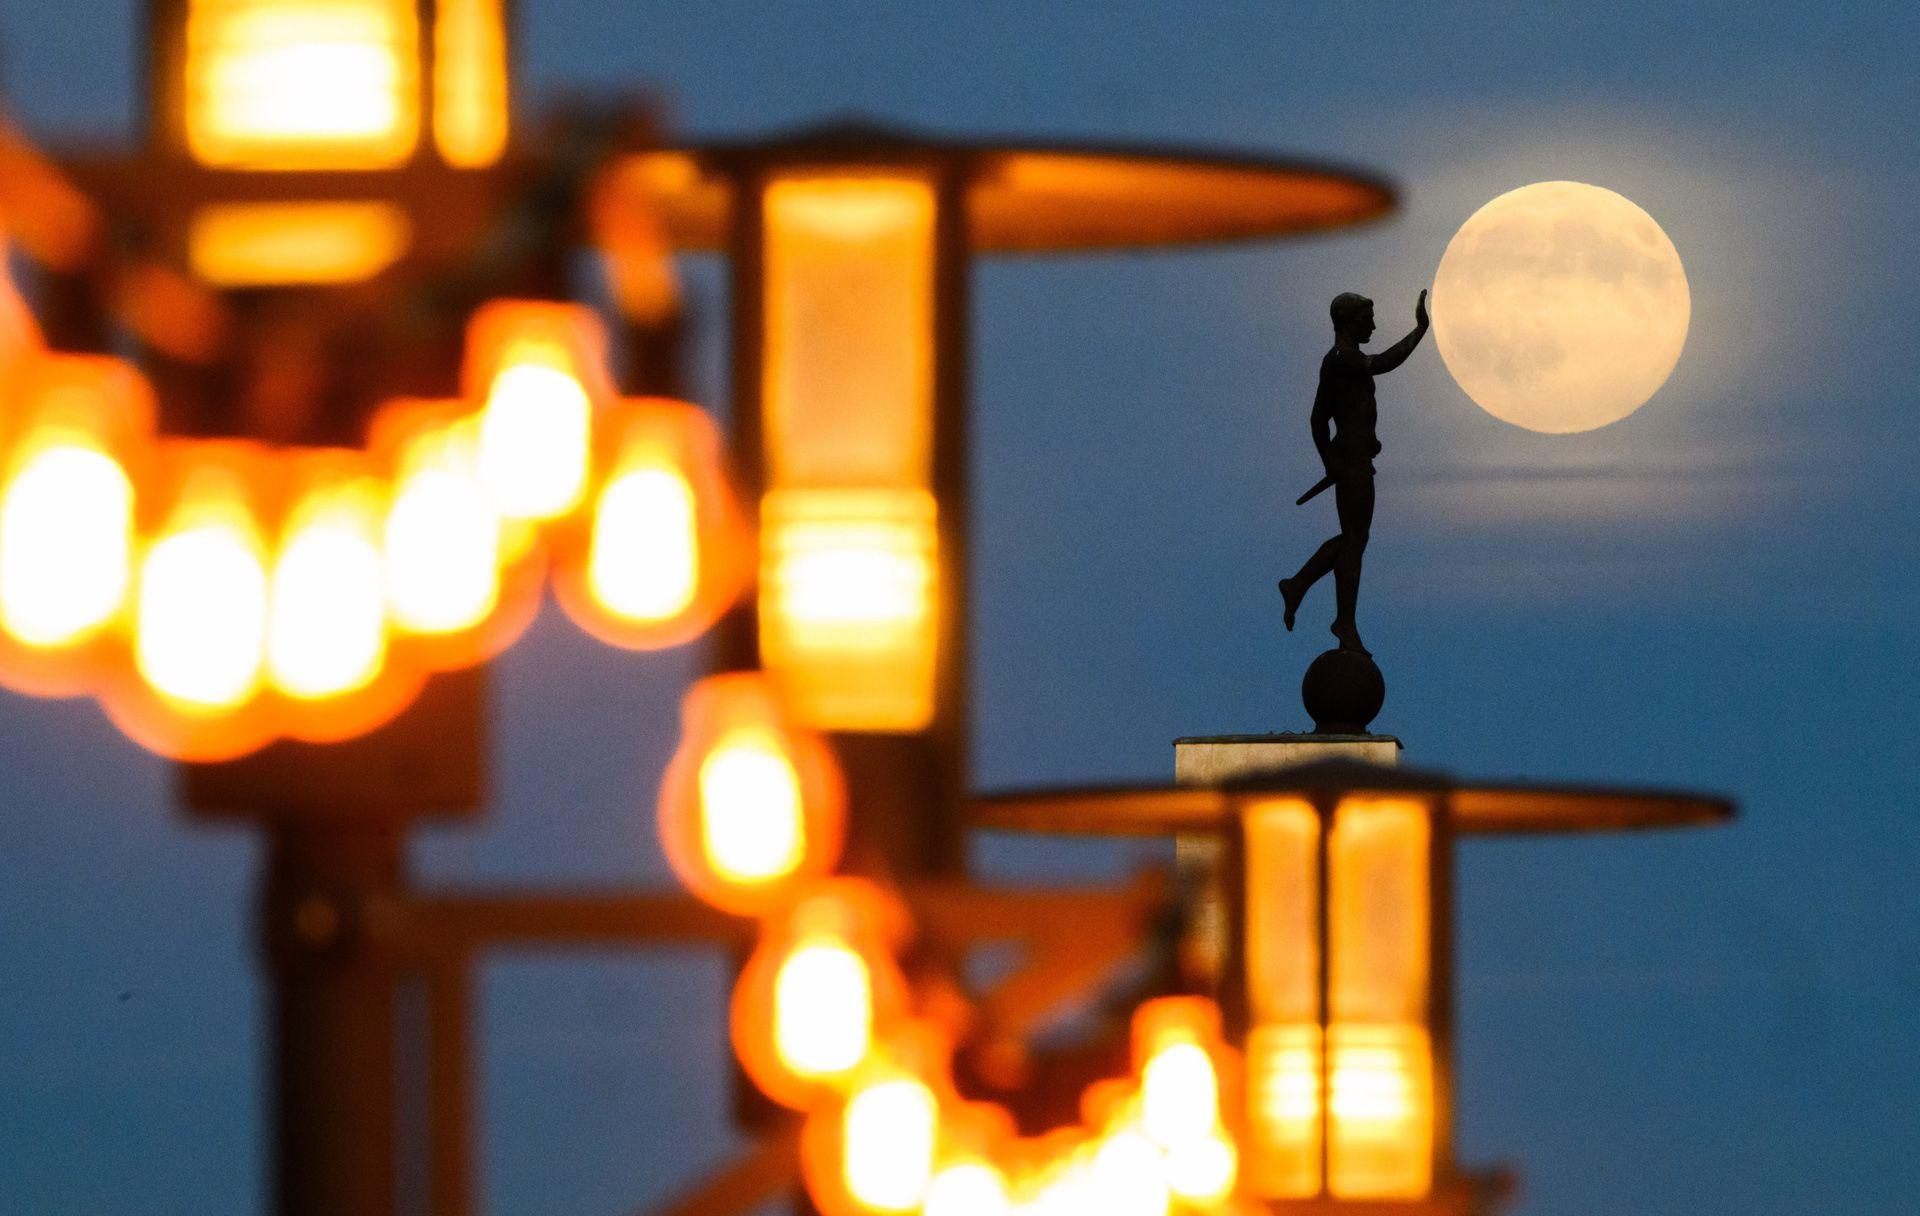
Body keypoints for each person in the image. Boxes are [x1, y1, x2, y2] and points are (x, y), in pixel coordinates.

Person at [1278, 289, 1429, 657]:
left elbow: (1318, 419)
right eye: (1368, 318)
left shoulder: (1340, 360)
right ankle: (1340, 619)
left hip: (1356, 460)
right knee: (1355, 539)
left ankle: (1299, 586)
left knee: (1354, 539)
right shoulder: (1342, 358)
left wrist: (1332, 458)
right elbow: (1381, 364)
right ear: (1349, 320)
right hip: (1353, 463)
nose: (1374, 325)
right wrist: (1419, 331)